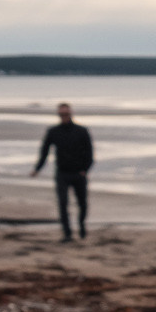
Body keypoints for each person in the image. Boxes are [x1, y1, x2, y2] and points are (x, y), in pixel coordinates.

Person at [31, 102, 94, 241]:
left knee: (82, 204)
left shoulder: (82, 131)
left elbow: (89, 153)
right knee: (62, 204)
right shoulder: (53, 132)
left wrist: (85, 169)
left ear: (71, 114)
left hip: (79, 174)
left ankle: (81, 225)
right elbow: (44, 152)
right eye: (61, 114)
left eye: (66, 114)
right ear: (58, 115)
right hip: (62, 174)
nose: (64, 116)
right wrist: (37, 169)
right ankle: (67, 234)